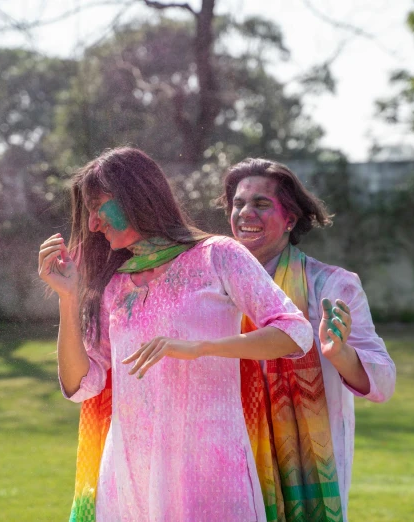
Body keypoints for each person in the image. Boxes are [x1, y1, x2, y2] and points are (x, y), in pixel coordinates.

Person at [37, 147, 313, 522]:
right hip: (129, 477)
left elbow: (294, 332)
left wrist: (201, 347)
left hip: (209, 474)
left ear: (136, 197)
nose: (92, 224)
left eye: (98, 206)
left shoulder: (218, 256)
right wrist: (68, 298)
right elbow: (81, 385)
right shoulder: (115, 286)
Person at [219, 158, 396, 522]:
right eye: (238, 203)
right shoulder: (212, 287)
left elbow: (384, 383)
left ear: (290, 219)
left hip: (306, 465)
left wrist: (340, 353)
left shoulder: (330, 286)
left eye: (262, 203)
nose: (245, 213)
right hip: (228, 454)